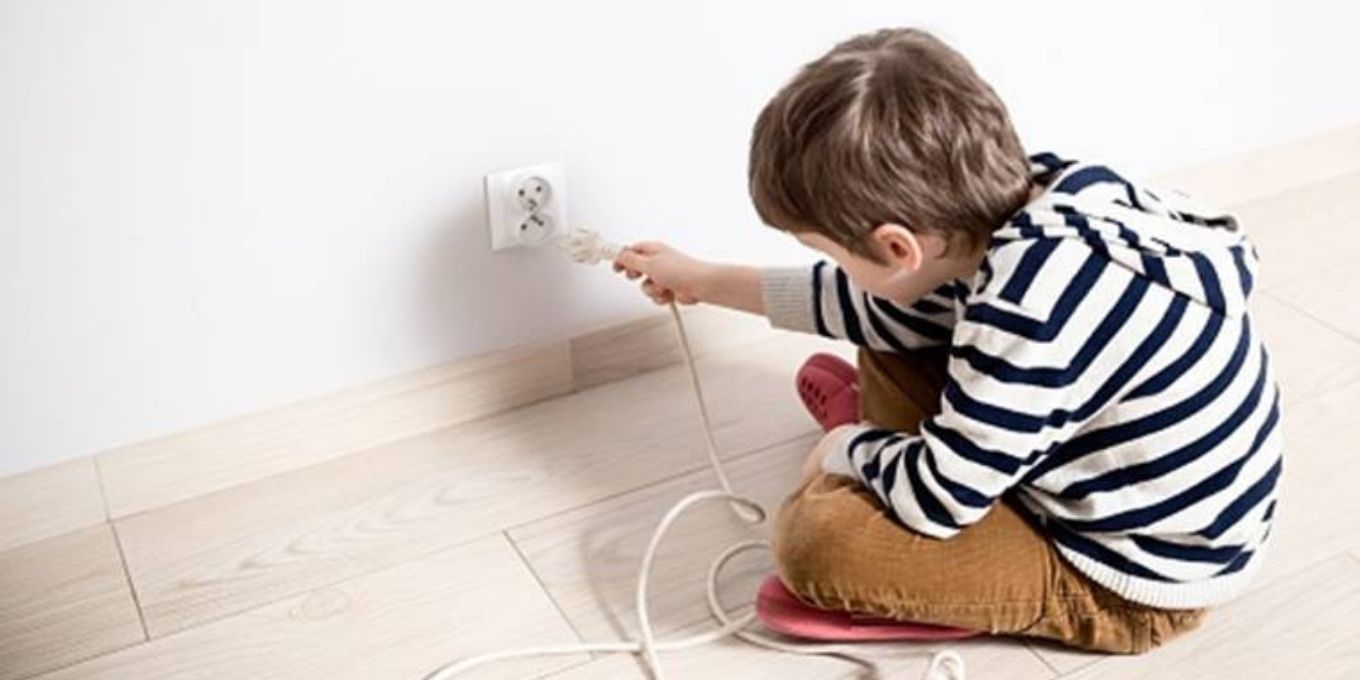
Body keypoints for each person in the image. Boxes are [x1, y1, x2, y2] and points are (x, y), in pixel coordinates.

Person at [611, 27, 1281, 654]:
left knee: (815, 543)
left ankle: (896, 501)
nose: (838, 269)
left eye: (834, 254)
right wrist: (699, 279)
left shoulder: (1029, 310)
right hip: (1077, 463)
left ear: (898, 246)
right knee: (886, 324)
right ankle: (895, 451)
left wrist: (848, 450)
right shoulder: (1033, 202)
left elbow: (941, 499)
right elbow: (861, 301)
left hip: (1125, 575)